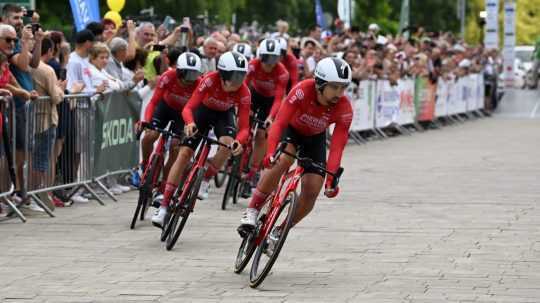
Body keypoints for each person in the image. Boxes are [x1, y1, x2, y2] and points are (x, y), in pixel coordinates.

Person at [238, 57, 353, 243]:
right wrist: (270, 153)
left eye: (343, 87)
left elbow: (337, 147)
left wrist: (331, 180)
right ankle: (252, 210)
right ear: (320, 84)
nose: (339, 93)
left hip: (314, 138)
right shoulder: (302, 90)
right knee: (283, 160)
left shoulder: (344, 107)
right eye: (334, 86)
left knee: (312, 189)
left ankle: (280, 230)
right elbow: (279, 122)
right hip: (290, 130)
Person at [151, 51, 250, 228]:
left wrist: (239, 141)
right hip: (201, 113)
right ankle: (164, 206)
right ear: (223, 74)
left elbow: (244, 128)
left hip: (223, 116)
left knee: (227, 144)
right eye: (235, 76)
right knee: (184, 155)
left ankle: (205, 180)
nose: (238, 82)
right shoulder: (209, 80)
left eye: (242, 76)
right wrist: (189, 123)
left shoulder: (244, 92)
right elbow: (188, 108)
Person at [139, 52, 203, 198]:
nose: (189, 80)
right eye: (186, 74)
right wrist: (147, 122)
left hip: (183, 115)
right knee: (151, 135)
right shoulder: (168, 76)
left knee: (175, 146)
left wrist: (191, 124)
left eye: (194, 75)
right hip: (164, 108)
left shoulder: (199, 83)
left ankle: (163, 186)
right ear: (179, 71)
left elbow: (197, 109)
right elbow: (154, 102)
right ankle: (144, 165)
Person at [243, 39, 289, 195]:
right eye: (266, 59)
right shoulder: (253, 65)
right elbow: (244, 86)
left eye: (273, 59)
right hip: (253, 95)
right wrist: (247, 107)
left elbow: (278, 98)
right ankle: (235, 159)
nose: (269, 64)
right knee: (241, 124)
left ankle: (254, 170)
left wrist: (270, 117)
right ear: (260, 56)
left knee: (262, 135)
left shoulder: (282, 72)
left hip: (270, 102)